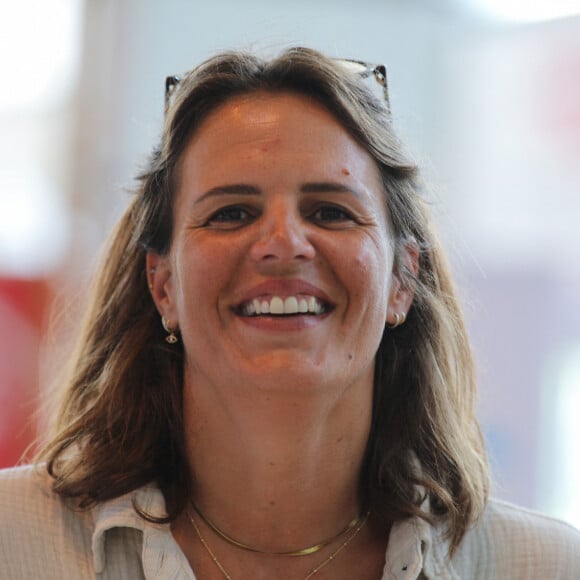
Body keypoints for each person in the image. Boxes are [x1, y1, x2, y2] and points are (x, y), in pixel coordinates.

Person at [0, 47, 578, 580]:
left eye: (330, 212)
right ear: (163, 284)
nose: (283, 244)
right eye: (230, 213)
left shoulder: (544, 567)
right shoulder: (13, 540)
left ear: (403, 280)